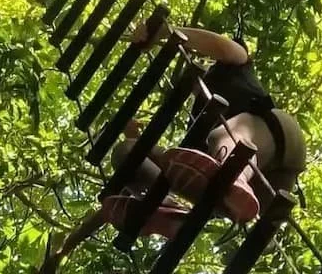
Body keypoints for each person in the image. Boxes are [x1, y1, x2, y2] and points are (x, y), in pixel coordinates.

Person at [101, 23, 306, 239]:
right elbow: (171, 163)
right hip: (245, 198)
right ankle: (169, 211)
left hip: (278, 139)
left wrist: (163, 30)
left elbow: (221, 46)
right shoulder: (199, 128)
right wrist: (134, 140)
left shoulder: (237, 67)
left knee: (220, 138)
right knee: (128, 152)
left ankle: (235, 176)